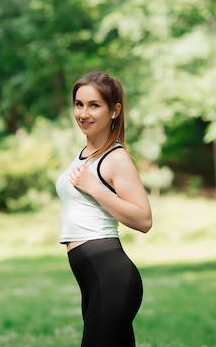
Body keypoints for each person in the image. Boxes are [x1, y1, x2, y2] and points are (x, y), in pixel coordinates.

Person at [56, 71, 153, 347]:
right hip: (92, 277)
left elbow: (144, 219)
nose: (83, 113)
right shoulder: (84, 155)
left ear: (114, 111)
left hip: (111, 275)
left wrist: (95, 188)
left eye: (94, 105)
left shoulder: (116, 158)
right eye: (79, 104)